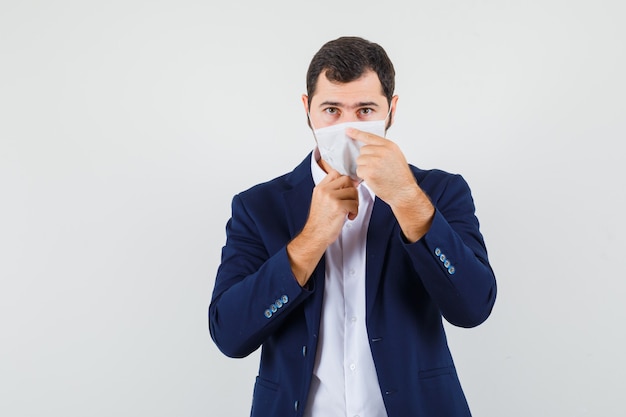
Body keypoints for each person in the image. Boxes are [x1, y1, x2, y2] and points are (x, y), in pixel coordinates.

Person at [209, 36, 497, 417]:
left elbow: (474, 308)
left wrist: (409, 201)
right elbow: (229, 335)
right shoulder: (258, 206)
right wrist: (311, 239)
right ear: (307, 109)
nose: (347, 128)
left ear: (390, 110)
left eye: (365, 110)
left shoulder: (440, 191)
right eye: (331, 109)